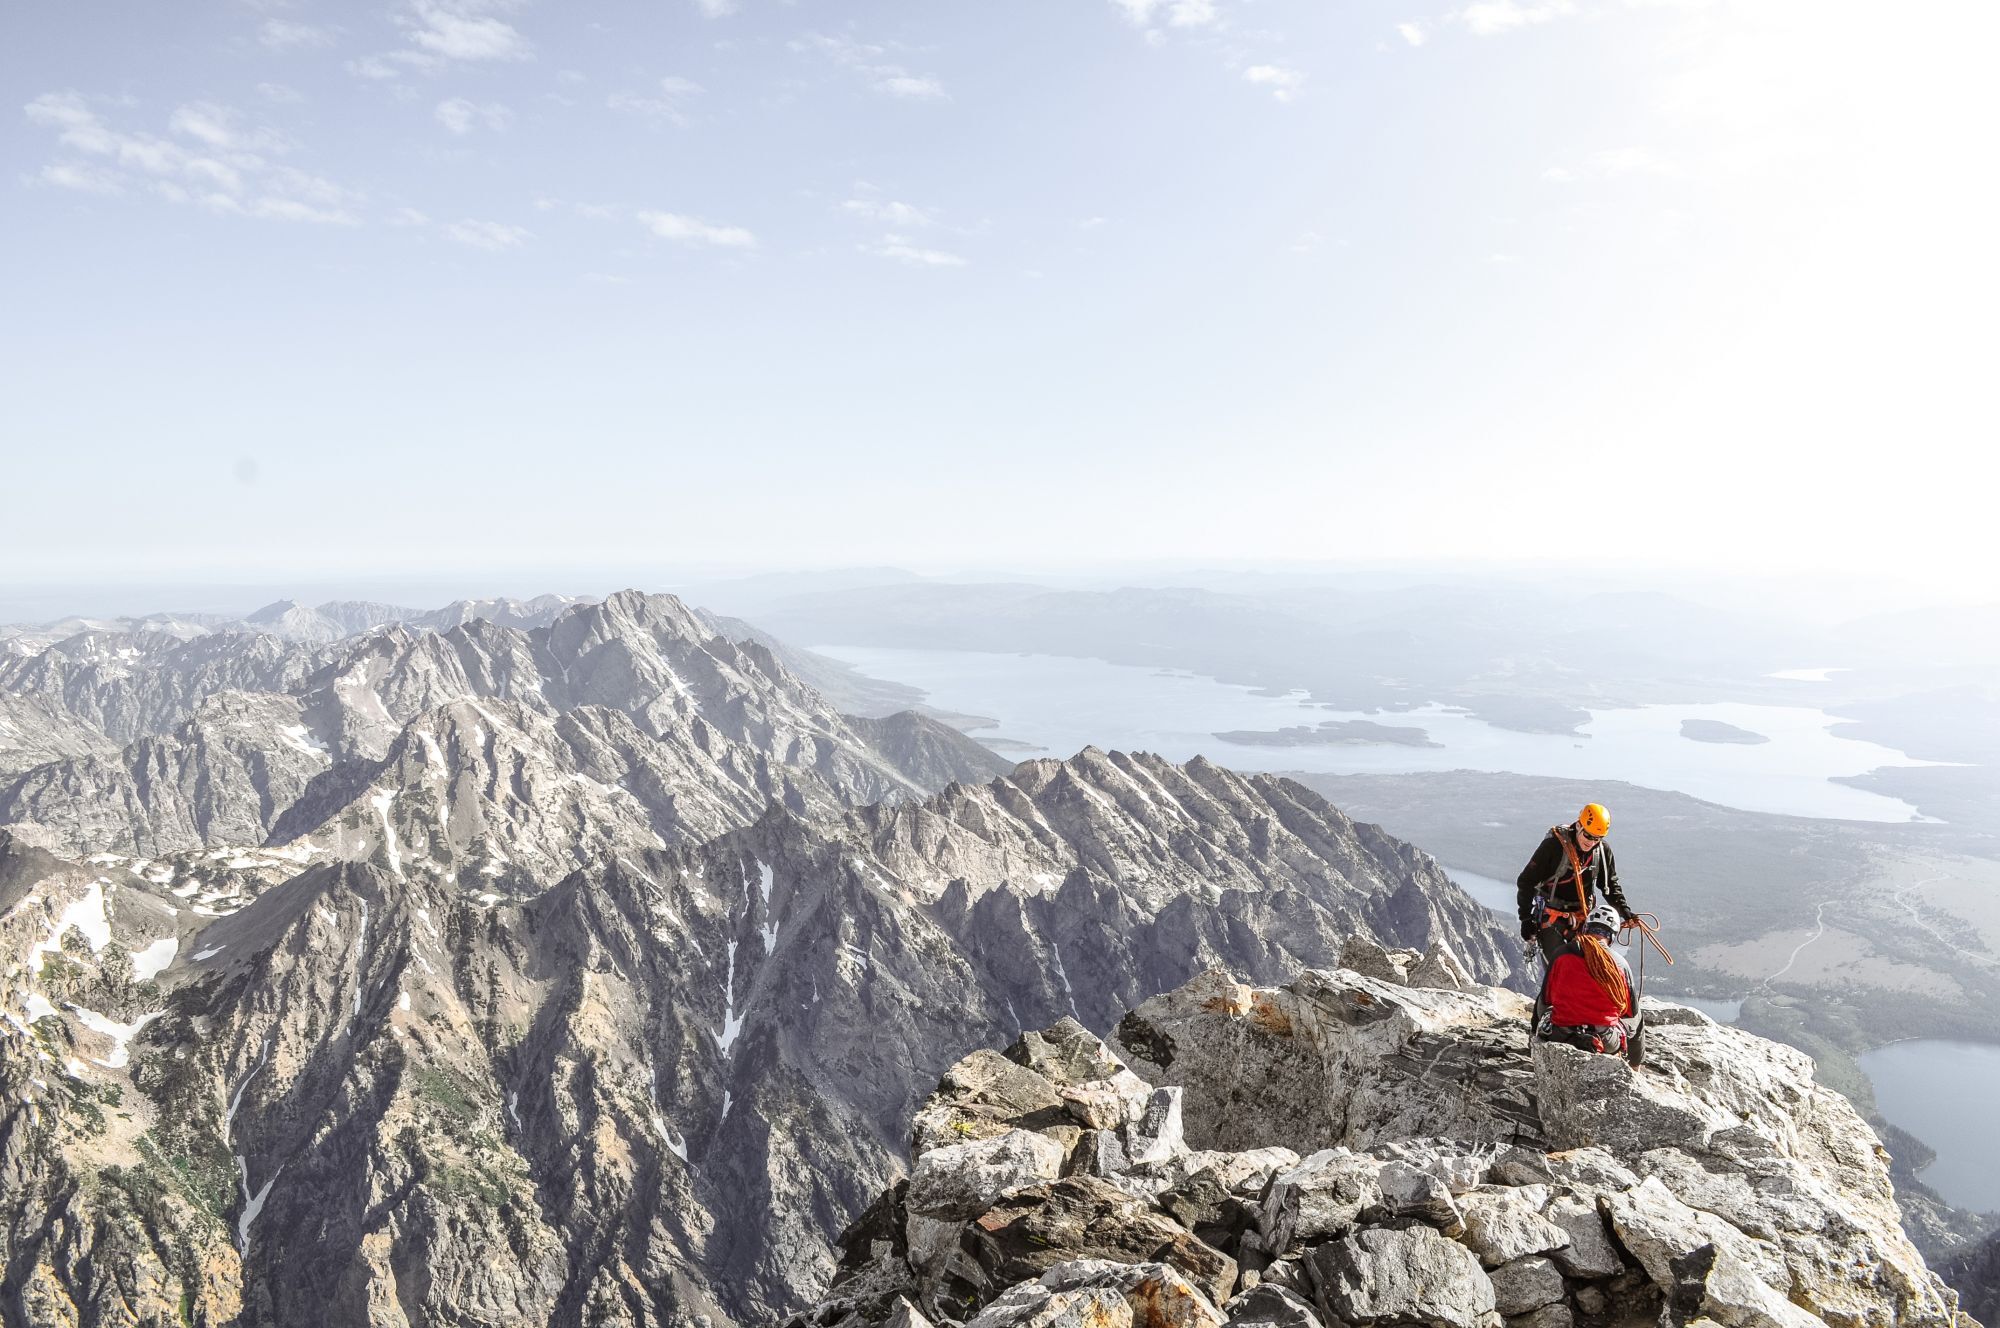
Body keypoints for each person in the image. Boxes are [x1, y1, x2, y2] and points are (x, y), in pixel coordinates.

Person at [1516, 802, 1633, 965]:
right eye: (1588, 836)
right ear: (1579, 825)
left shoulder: (1601, 852)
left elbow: (1609, 886)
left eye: (1597, 839)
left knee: (1588, 967)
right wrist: (1526, 920)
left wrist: (1625, 912)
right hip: (1552, 917)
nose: (1591, 842)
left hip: (1582, 917)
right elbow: (1526, 882)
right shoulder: (1554, 846)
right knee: (1559, 965)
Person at [1540, 901, 1636, 1053]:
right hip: (1605, 1039)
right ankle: (1635, 1067)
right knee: (1633, 1020)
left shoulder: (1562, 954)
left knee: (1545, 1009)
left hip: (1561, 1034)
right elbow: (1632, 1013)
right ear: (1612, 935)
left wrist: (1535, 1032)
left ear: (1586, 928)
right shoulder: (1620, 964)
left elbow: (1545, 999)